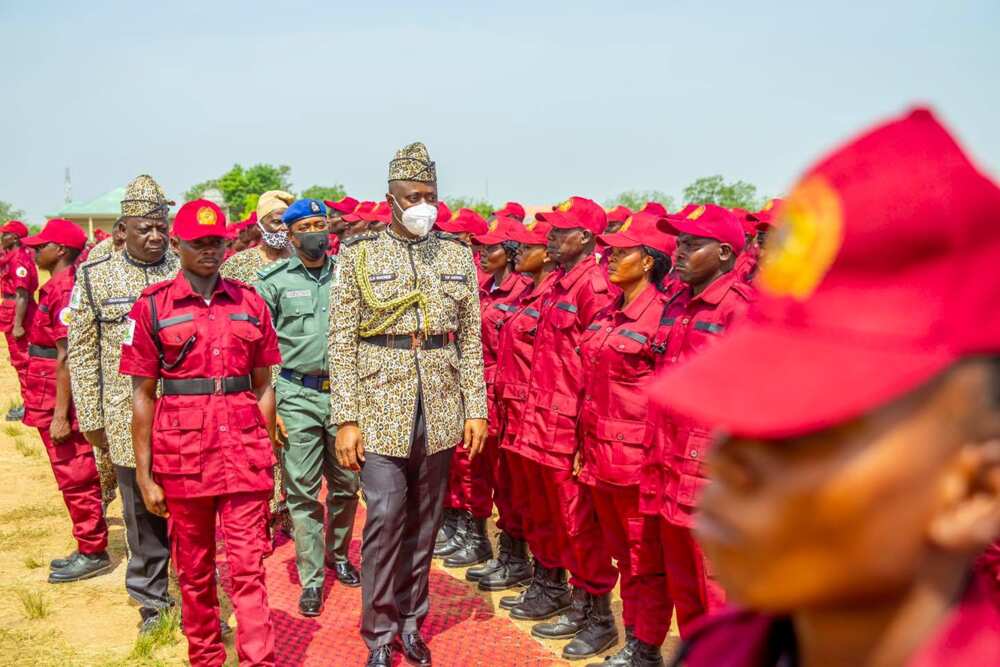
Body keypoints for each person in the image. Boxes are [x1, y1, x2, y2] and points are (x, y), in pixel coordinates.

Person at [656, 108, 1000, 667]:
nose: (729, 458)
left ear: (976, 492)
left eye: (812, 430)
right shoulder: (719, 651)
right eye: (739, 418)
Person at [328, 141, 488, 667]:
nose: (425, 205)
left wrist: (475, 408)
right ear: (391, 200)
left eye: (432, 195)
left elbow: (469, 338)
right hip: (380, 403)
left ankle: (412, 621)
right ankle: (377, 633)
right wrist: (345, 418)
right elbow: (342, 340)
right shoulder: (360, 253)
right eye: (414, 196)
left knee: (425, 521)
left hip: (439, 404)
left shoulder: (456, 253)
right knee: (386, 516)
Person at [122, 199, 281, 667]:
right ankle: (206, 657)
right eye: (199, 243)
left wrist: (265, 447)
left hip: (244, 454)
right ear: (177, 244)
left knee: (250, 569)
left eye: (217, 243)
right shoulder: (152, 307)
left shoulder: (250, 302)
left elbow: (264, 384)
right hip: (183, 457)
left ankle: (259, 660)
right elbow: (142, 395)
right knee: (193, 571)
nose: (210, 251)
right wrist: (146, 475)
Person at [68, 174, 180, 633]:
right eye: (144, 228)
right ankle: (152, 600)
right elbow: (81, 350)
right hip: (122, 412)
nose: (154, 236)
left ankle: (195, 588)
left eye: (161, 227)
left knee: (190, 505)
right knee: (139, 508)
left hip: (183, 412)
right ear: (122, 230)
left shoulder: (184, 268)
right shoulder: (95, 276)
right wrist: (90, 417)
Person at [639, 204, 755, 639]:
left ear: (725, 253)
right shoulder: (678, 305)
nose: (680, 252)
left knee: (719, 596)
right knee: (685, 592)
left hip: (712, 481)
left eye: (692, 244)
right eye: (680, 243)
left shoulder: (741, 312)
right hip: (667, 470)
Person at [513, 196, 619, 661]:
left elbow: (596, 365)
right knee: (550, 512)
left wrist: (582, 433)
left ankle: (597, 614)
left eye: (560, 232)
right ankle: (556, 589)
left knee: (579, 523)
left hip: (569, 423)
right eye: (551, 232)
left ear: (586, 239)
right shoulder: (557, 281)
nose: (550, 239)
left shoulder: (593, 286)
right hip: (540, 417)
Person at [573, 212, 676, 667]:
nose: (611, 258)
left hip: (635, 463)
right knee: (621, 555)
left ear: (649, 261)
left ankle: (645, 648)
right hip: (600, 456)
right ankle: (634, 640)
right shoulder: (613, 311)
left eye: (622, 251)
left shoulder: (660, 318)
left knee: (642, 560)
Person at [255, 198, 361, 618]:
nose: (319, 231)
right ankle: (312, 578)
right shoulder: (274, 281)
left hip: (345, 396)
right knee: (301, 490)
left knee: (347, 485)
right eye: (309, 226)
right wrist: (273, 405)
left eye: (323, 223)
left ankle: (339, 555)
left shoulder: (348, 275)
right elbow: (260, 350)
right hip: (295, 395)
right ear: (292, 234)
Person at [21, 218, 112, 583]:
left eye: (41, 245)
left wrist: (61, 414)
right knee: (68, 472)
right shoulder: (57, 285)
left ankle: (93, 550)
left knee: (74, 472)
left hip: (56, 395)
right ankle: (86, 543)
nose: (35, 250)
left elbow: (68, 355)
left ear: (59, 250)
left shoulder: (65, 289)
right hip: (44, 388)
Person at [441, 216, 532, 571]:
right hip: (475, 387)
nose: (481, 252)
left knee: (501, 478)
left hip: (501, 394)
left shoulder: (520, 290)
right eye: (479, 246)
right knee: (472, 466)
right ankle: (473, 534)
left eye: (490, 247)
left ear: (509, 253)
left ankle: (510, 553)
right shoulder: (484, 289)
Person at [489, 217, 560, 596]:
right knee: (518, 496)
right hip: (515, 408)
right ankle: (520, 563)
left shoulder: (564, 292)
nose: (518, 254)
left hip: (543, 415)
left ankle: (555, 586)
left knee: (554, 509)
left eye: (525, 248)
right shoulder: (533, 292)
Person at [221, 189, 296, 535]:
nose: (280, 227)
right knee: (256, 442)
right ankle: (259, 515)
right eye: (273, 220)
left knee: (294, 444)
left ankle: (290, 511)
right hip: (252, 367)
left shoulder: (302, 256)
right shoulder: (239, 265)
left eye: (286, 220)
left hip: (296, 365)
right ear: (259, 222)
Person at [0, 219, 39, 420]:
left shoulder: (19, 260)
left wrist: (17, 325)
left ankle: (30, 406)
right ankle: (28, 403)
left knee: (23, 361)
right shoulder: (13, 256)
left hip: (19, 313)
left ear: (14, 237)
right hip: (12, 310)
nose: (1, 237)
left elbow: (22, 294)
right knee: (19, 360)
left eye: (4, 234)